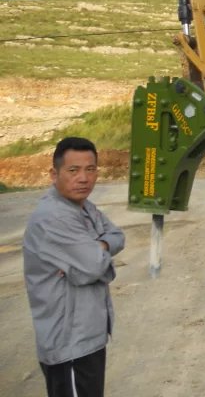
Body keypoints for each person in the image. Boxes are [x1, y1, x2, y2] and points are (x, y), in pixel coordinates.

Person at [23, 137, 125, 397]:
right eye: (73, 170)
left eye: (90, 169)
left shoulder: (84, 208)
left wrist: (96, 248)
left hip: (88, 336)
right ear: (53, 174)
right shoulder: (53, 216)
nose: (83, 178)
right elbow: (92, 267)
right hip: (68, 343)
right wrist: (95, 257)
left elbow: (117, 236)